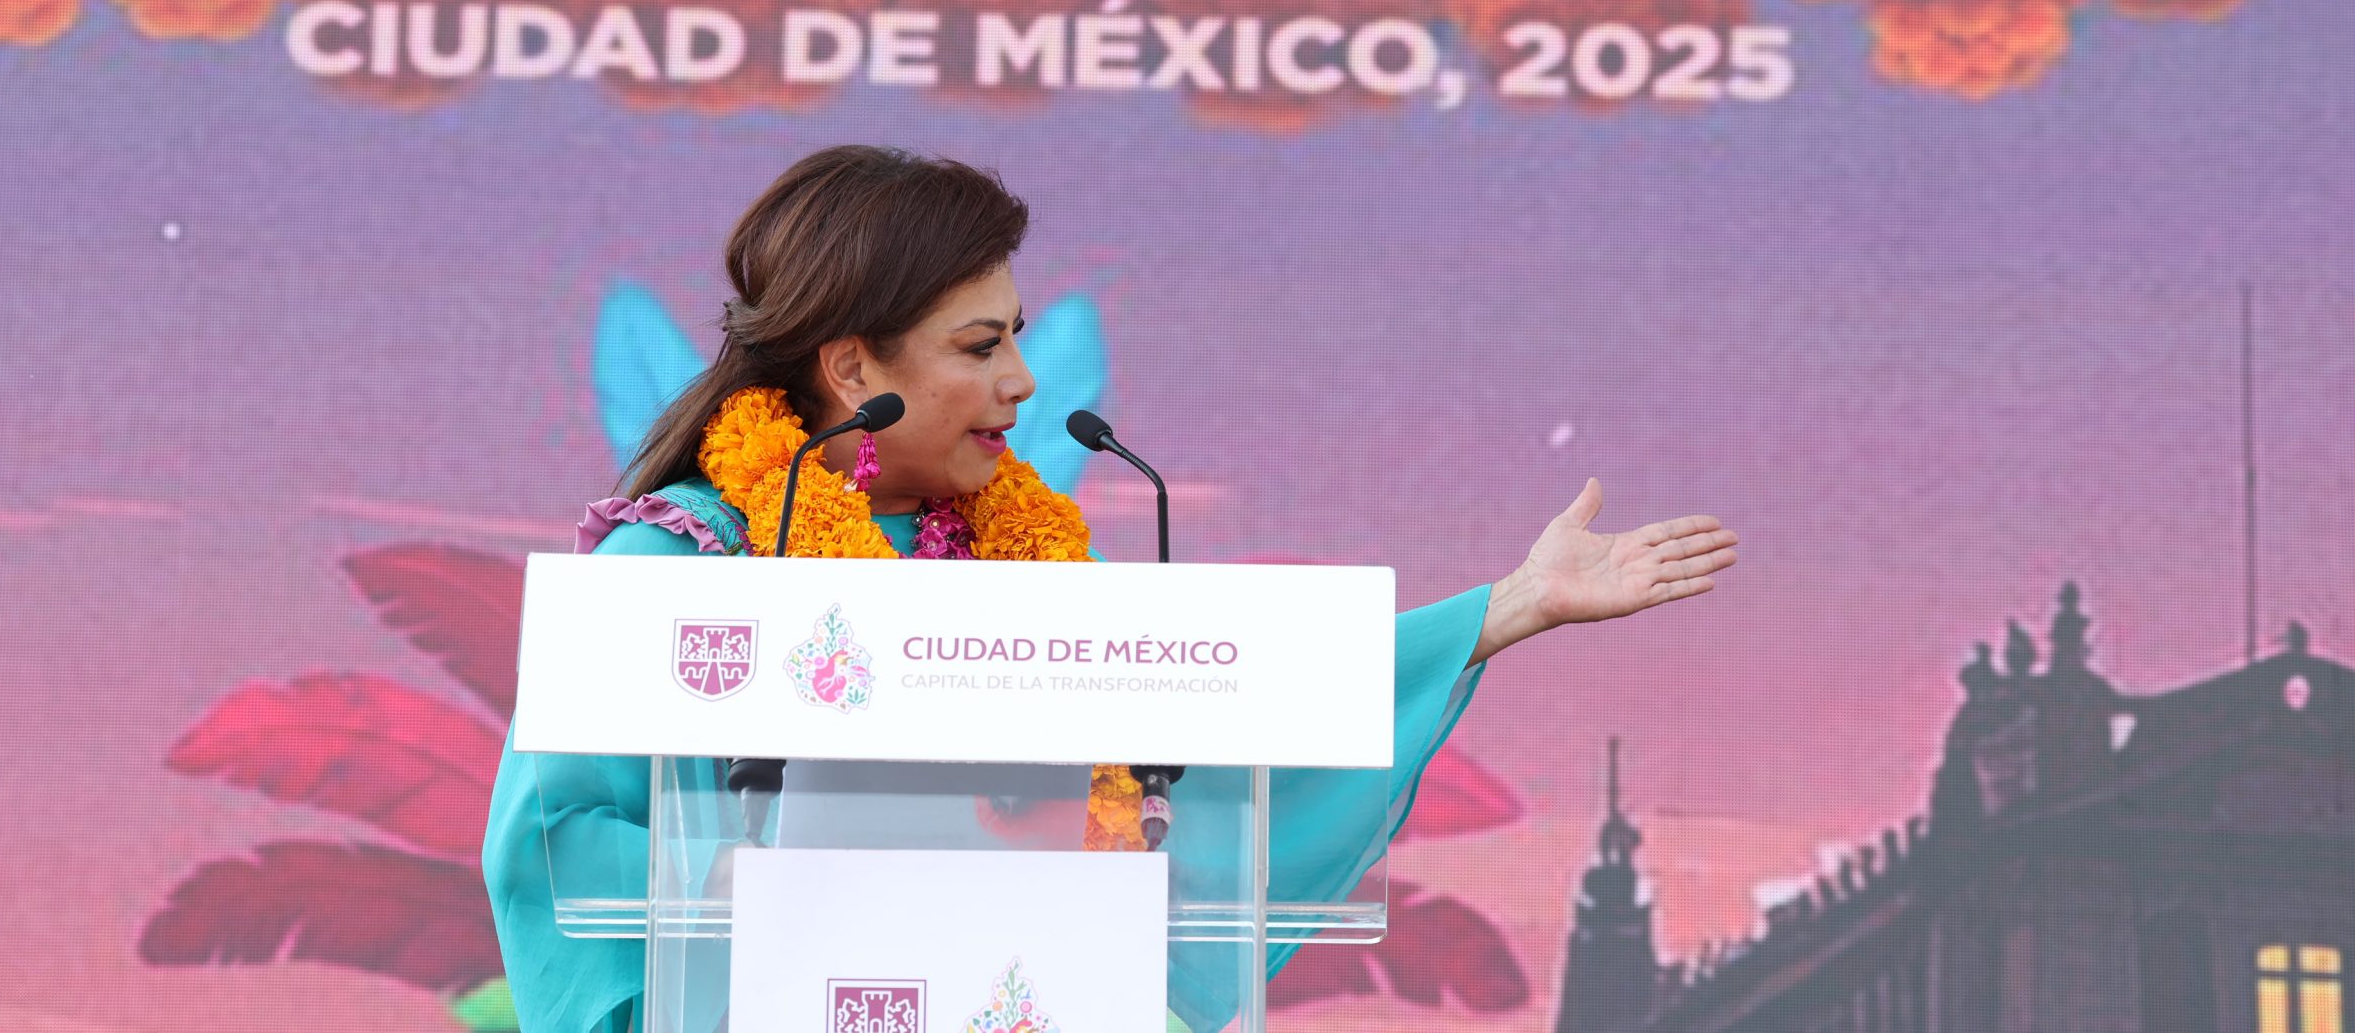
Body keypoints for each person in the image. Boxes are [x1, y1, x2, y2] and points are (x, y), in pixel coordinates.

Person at [483, 146, 1739, 1033]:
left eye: (1020, 337)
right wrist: (786, 887)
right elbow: (548, 852)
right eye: (980, 348)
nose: (1023, 383)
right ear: (851, 362)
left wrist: (1505, 608)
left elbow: (1226, 744)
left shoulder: (1019, 564)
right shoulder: (676, 570)